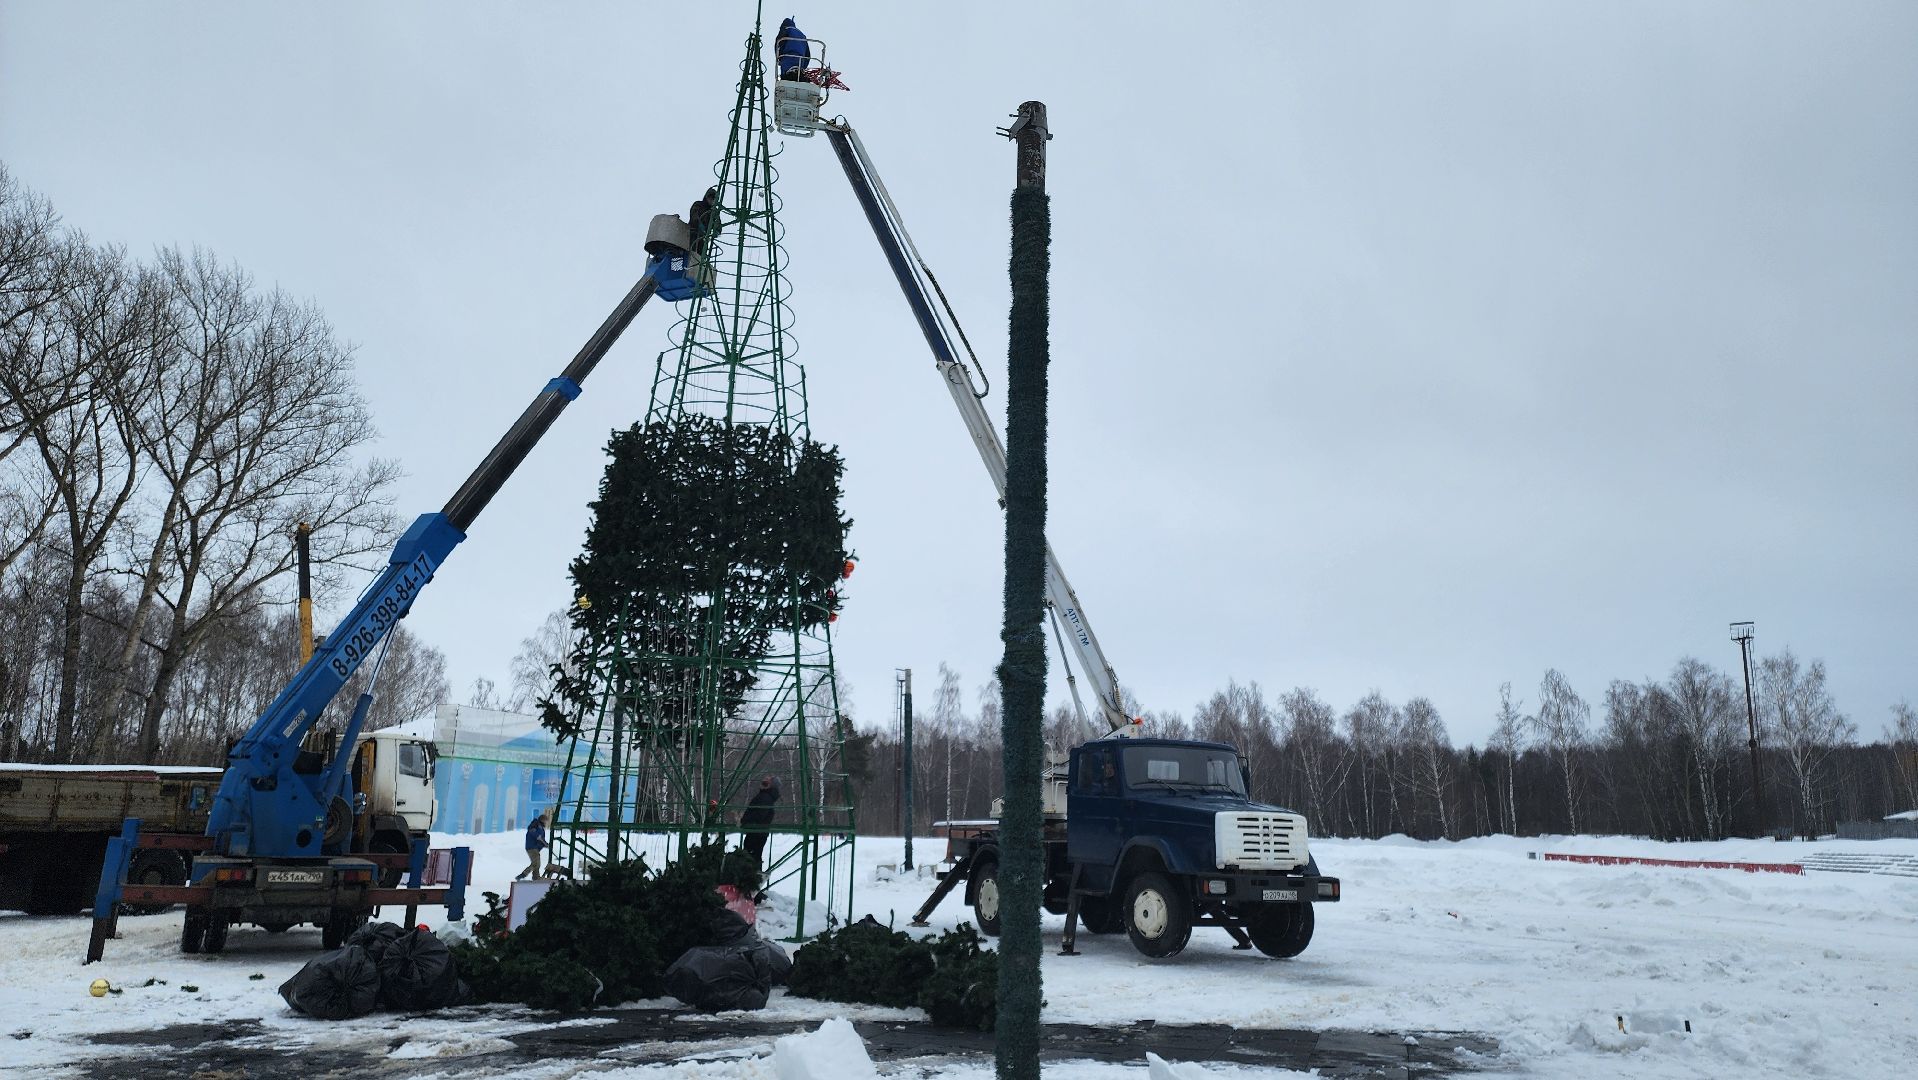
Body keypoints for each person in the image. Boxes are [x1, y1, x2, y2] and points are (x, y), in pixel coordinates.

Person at [740, 776, 781, 866]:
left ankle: (752, 876)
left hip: (755, 832)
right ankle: (754, 875)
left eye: (765, 783)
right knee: (754, 856)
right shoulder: (767, 797)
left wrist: (745, 820)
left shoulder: (765, 797)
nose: (762, 784)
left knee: (751, 857)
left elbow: (759, 815)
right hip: (758, 832)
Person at [517, 808, 550, 881]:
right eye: (546, 821)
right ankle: (523, 874)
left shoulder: (541, 828)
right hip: (531, 847)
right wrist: (537, 836)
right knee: (536, 864)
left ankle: (536, 877)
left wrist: (546, 844)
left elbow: (541, 839)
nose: (546, 822)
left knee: (537, 864)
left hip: (535, 847)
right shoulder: (535, 824)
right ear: (542, 820)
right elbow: (532, 832)